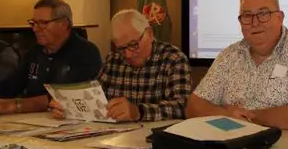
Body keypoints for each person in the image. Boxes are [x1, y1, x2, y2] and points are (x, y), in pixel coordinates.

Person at [186, 0, 288, 131]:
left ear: (280, 18)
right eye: (247, 16)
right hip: (238, 144)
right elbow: (193, 107)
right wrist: (227, 115)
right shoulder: (229, 56)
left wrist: (248, 117)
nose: (255, 23)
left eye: (263, 14)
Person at [50, 9, 191, 123]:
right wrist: (68, 107)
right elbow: (95, 97)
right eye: (121, 48)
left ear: (149, 34)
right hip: (114, 139)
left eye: (133, 45)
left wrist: (138, 112)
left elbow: (182, 107)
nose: (128, 54)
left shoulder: (173, 59)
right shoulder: (114, 59)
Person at [0, 0, 102, 117]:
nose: (35, 29)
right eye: (33, 23)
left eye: (43, 23)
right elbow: (9, 87)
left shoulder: (86, 52)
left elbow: (66, 97)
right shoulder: (35, 52)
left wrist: (12, 105)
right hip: (33, 122)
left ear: (63, 24)